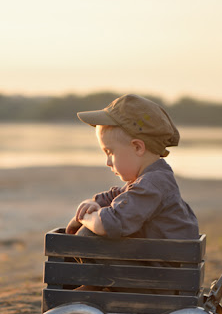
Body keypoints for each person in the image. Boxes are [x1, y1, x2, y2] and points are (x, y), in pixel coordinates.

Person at [65, 93, 198, 241]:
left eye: (110, 152)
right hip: (153, 257)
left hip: (160, 262)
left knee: (88, 235)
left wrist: (85, 217)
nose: (107, 162)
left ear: (137, 147)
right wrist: (93, 203)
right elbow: (117, 195)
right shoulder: (149, 179)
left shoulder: (152, 183)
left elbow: (108, 225)